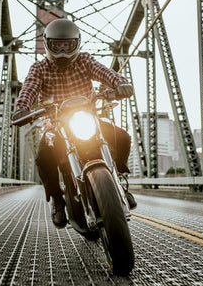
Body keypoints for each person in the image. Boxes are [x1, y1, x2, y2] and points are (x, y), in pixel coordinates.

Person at [12, 18, 136, 228]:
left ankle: (120, 181)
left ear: (76, 43)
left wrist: (121, 83)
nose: (62, 49)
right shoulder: (39, 68)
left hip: (88, 119)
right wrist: (22, 108)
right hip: (57, 126)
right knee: (43, 157)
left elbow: (105, 72)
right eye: (57, 45)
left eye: (67, 44)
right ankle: (58, 201)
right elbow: (29, 88)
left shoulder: (85, 61)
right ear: (48, 44)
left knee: (122, 136)